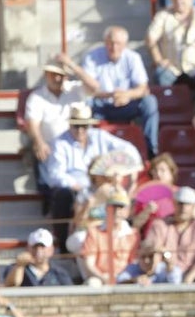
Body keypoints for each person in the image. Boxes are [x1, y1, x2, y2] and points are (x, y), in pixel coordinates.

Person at [44, 103, 143, 250]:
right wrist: (80, 187)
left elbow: (128, 150)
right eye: (76, 126)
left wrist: (131, 172)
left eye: (84, 126)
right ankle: (63, 241)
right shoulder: (59, 143)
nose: (80, 130)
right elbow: (54, 175)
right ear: (70, 125)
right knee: (63, 195)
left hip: (103, 184)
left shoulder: (100, 137)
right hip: (77, 188)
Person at [23, 53, 95, 204]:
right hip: (51, 148)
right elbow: (33, 123)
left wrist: (73, 66)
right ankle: (49, 195)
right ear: (46, 75)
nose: (56, 78)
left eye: (60, 75)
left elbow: (95, 87)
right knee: (43, 154)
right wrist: (39, 142)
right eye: (53, 74)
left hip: (77, 146)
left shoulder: (75, 89)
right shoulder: (36, 97)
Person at [81, 25, 160, 156]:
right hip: (102, 104)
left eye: (118, 43)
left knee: (150, 102)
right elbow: (88, 89)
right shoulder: (92, 56)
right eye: (110, 43)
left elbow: (143, 88)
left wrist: (127, 95)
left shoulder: (133, 58)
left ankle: (151, 150)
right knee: (84, 104)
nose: (114, 47)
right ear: (105, 42)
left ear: (125, 45)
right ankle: (86, 150)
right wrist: (111, 95)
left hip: (126, 104)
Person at [146, 186, 195, 283]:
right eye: (180, 203)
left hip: (192, 274)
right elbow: (153, 253)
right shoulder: (160, 224)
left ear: (194, 206)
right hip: (165, 274)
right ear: (174, 204)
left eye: (187, 204)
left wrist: (189, 278)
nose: (183, 208)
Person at [78, 200, 139, 286]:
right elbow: (89, 264)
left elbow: (134, 262)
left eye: (121, 208)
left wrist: (124, 278)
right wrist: (104, 278)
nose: (117, 212)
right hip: (100, 277)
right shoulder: (94, 232)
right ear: (106, 210)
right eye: (113, 208)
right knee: (92, 284)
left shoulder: (133, 235)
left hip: (126, 277)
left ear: (127, 212)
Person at [3, 228, 74, 287]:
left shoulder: (59, 273)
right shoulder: (14, 268)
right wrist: (19, 266)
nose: (38, 251)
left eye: (43, 247)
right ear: (28, 248)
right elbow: (12, 285)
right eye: (35, 247)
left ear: (51, 249)